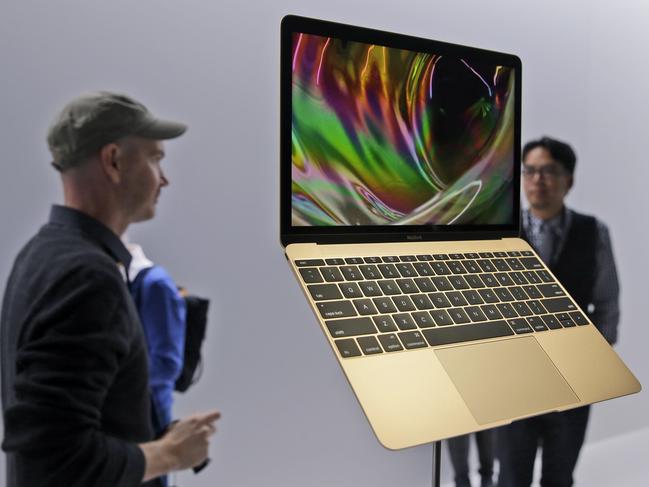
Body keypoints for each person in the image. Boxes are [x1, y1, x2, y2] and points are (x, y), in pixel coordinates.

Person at [1, 92, 220, 487]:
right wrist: (172, 453)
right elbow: (54, 462)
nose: (164, 178)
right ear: (114, 161)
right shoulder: (88, 278)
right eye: (155, 159)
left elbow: (67, 422)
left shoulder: (39, 254)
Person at [497, 136, 620, 487]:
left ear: (569, 180)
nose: (537, 180)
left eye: (549, 171)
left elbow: (608, 304)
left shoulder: (593, 232)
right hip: (515, 381)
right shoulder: (504, 233)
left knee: (560, 476)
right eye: (530, 171)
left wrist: (591, 361)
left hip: (572, 380)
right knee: (511, 476)